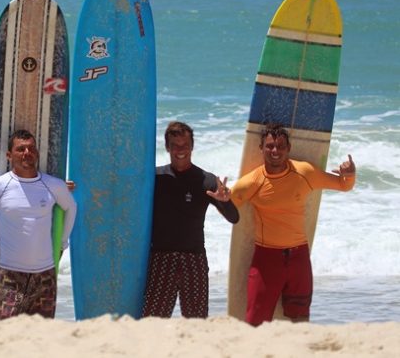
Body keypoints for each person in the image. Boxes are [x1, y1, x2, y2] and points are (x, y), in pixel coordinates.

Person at [230, 124, 356, 326]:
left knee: (301, 321)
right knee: (254, 322)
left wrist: (349, 174)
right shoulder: (253, 181)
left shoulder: (304, 172)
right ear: (261, 148)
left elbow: (343, 185)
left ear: (288, 148)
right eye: (270, 146)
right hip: (266, 260)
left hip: (299, 258)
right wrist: (219, 198)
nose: (275, 151)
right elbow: (228, 205)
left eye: (280, 146)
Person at [0, 129, 77, 320]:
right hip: (10, 277)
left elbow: (71, 208)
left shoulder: (54, 185)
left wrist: (63, 243)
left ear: (37, 153)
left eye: (31, 148)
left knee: (40, 336)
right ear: (9, 155)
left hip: (45, 277)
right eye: (21, 149)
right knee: (6, 334)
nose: (27, 153)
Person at [142, 121, 239, 318]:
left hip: (194, 260)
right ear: (167, 147)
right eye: (175, 145)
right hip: (161, 258)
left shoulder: (206, 180)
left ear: (192, 146)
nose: (180, 150)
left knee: (197, 323)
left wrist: (226, 201)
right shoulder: (155, 177)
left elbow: (234, 218)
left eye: (185, 145)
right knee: (151, 323)